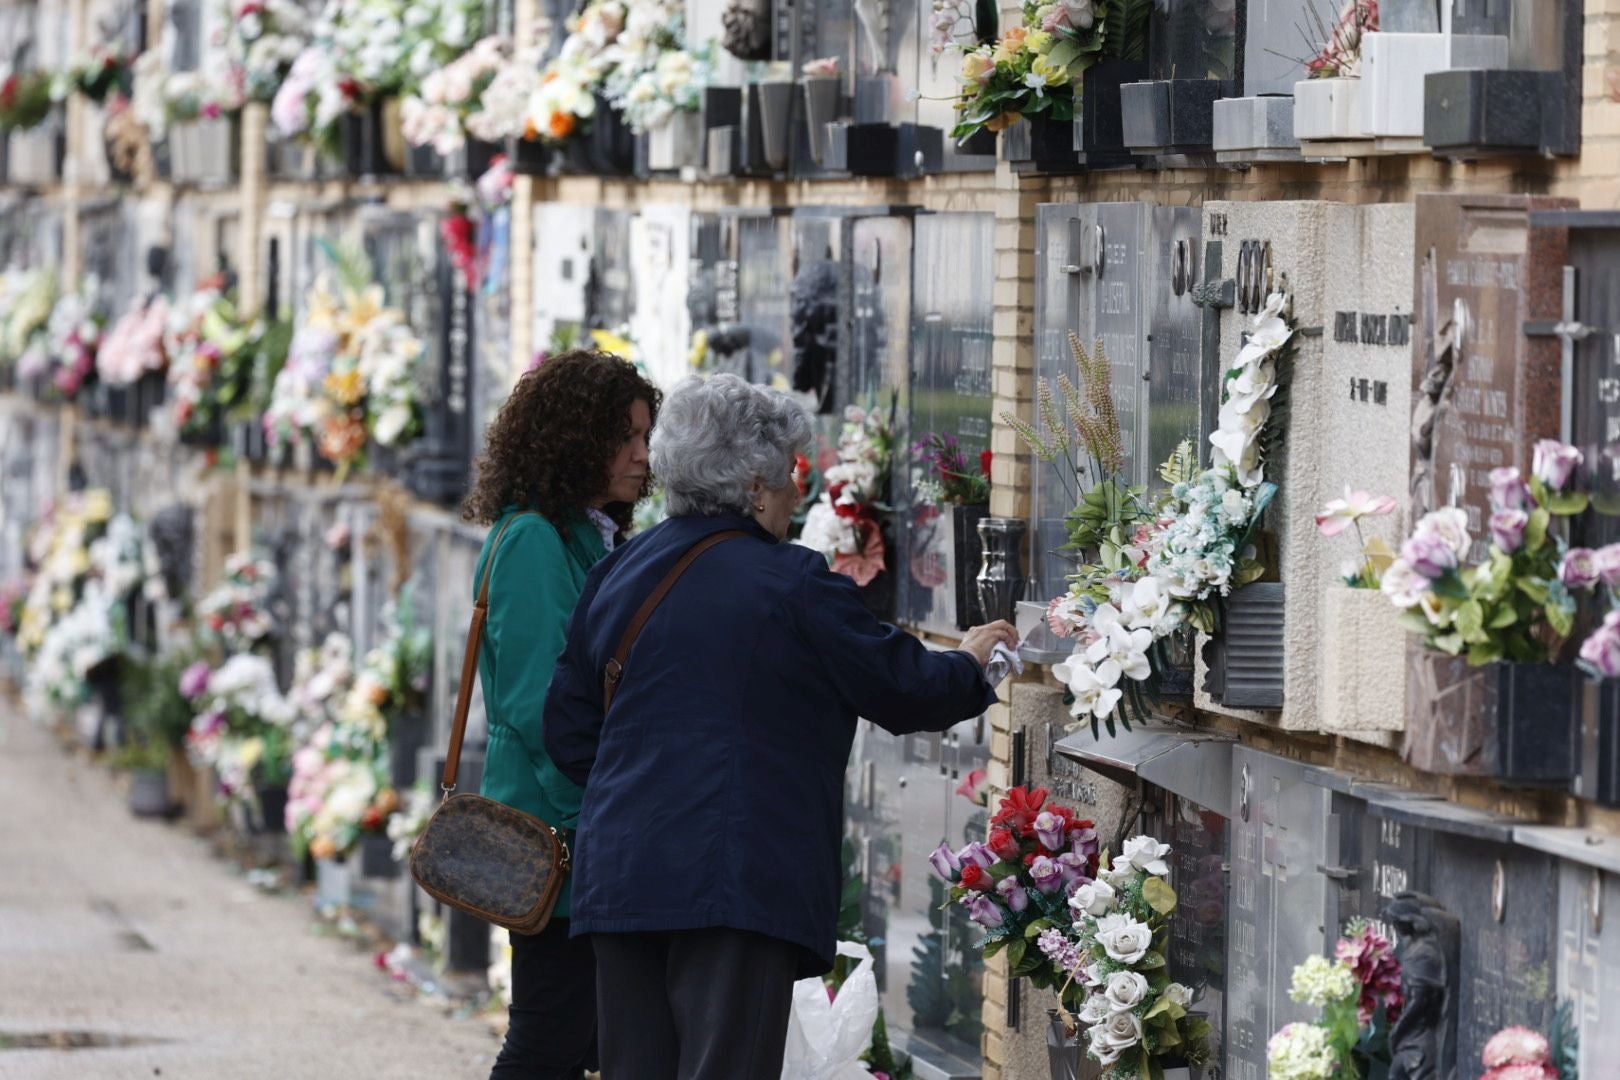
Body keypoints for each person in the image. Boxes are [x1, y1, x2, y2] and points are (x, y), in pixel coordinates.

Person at [543, 374, 1018, 1078]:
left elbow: (568, 731)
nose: (800, 493)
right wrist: (978, 661)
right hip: (733, 884)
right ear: (757, 484)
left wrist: (650, 791)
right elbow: (904, 686)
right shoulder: (790, 582)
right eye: (793, 473)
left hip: (624, 878)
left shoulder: (618, 572)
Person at [459, 349, 661, 1080]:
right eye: (626, 438)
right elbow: (538, 703)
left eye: (646, 436)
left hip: (582, 836)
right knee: (547, 1042)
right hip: (561, 839)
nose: (644, 456)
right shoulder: (535, 543)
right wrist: (597, 820)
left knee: (586, 1043)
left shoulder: (585, 535)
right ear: (575, 440)